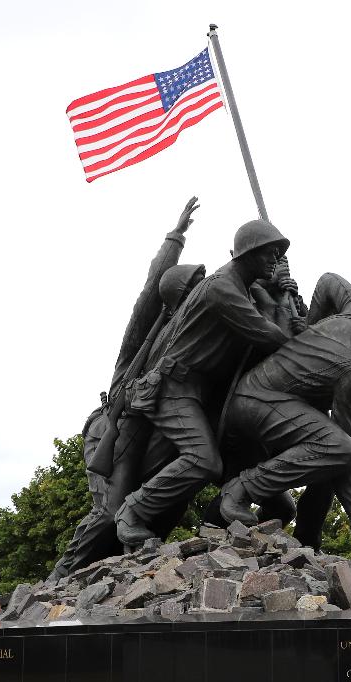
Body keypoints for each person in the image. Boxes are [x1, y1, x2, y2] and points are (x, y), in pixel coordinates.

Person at [114, 219, 305, 545]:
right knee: (204, 461)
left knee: (279, 501)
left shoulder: (245, 288)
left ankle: (218, 532)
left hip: (207, 397)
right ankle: (131, 511)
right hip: (175, 387)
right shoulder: (222, 288)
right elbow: (269, 336)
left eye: (278, 254)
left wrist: (285, 294)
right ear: (250, 252)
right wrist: (282, 311)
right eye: (270, 252)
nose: (275, 259)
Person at [45, 199, 205, 582]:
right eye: (195, 288)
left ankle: (120, 577)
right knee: (108, 512)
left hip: (145, 431)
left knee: (161, 509)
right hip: (110, 431)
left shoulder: (191, 337)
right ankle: (56, 582)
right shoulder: (147, 336)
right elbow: (149, 292)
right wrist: (175, 238)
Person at [218, 272, 351, 558]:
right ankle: (241, 489)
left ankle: (306, 543)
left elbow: (329, 282)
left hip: (262, 396)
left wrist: (309, 327)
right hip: (256, 404)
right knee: (340, 450)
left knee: (330, 459)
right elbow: (345, 455)